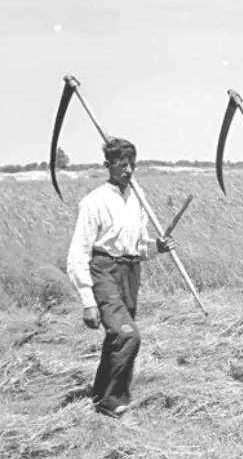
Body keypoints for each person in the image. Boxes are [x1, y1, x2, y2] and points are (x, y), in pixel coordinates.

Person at [66, 137, 176, 419]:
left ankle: (101, 394)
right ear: (108, 165)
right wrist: (88, 301)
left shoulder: (137, 201)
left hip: (130, 272)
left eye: (132, 164)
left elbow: (138, 248)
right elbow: (78, 253)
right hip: (104, 270)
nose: (128, 170)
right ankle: (113, 401)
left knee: (116, 339)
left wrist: (158, 247)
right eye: (122, 164)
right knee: (128, 336)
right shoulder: (93, 202)